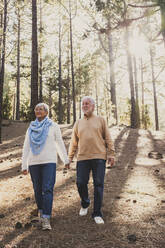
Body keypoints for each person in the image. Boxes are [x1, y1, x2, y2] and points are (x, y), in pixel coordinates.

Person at [22, 103, 69, 230]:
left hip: (49, 162)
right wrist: (24, 165)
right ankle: (42, 213)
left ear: (46, 112)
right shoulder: (31, 127)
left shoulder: (53, 126)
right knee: (37, 189)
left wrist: (66, 160)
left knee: (47, 189)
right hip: (34, 163)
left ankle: (46, 218)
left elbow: (59, 143)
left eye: (41, 109)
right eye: (36, 109)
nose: (38, 111)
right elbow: (26, 146)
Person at [68, 96, 115, 224]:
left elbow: (108, 138)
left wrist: (111, 154)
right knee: (80, 183)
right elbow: (73, 142)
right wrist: (70, 157)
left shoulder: (101, 120)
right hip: (82, 157)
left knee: (98, 184)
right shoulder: (78, 123)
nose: (85, 105)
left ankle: (97, 213)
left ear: (93, 106)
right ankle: (85, 203)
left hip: (99, 157)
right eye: (83, 104)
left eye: (87, 103)